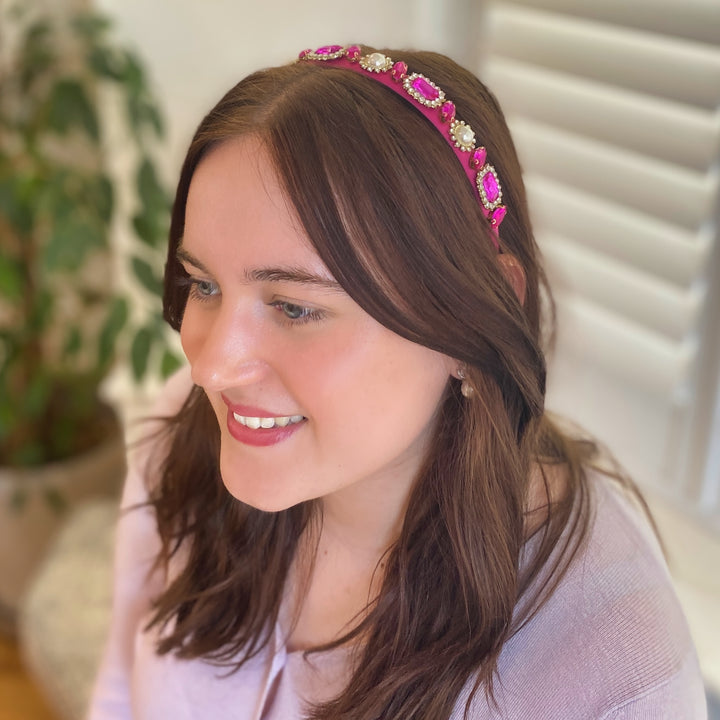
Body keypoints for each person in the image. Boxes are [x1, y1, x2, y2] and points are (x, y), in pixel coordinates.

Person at [87, 44, 707, 719]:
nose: (210, 367)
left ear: (470, 317)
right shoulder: (181, 438)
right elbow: (120, 690)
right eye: (203, 284)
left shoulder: (617, 667)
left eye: (295, 307)